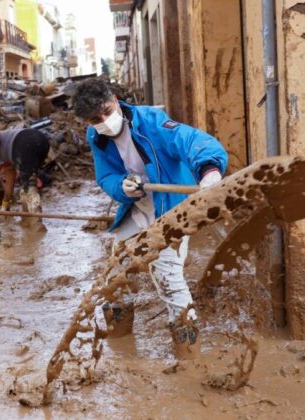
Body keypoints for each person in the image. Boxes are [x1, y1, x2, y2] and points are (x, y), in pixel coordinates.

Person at [72, 78, 228, 359]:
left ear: (116, 101)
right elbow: (105, 175)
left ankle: (188, 354)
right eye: (96, 119)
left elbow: (190, 140)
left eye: (107, 112)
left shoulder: (152, 121)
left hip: (171, 209)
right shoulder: (96, 137)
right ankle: (120, 340)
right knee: (117, 273)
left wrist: (209, 170)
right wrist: (121, 186)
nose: (105, 121)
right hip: (136, 209)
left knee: (167, 277)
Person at [0, 128, 50, 227]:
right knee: (25, 185)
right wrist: (5, 203)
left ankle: (37, 225)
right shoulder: (6, 156)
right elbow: (10, 179)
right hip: (41, 139)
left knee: (29, 188)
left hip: (23, 143)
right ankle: (27, 218)